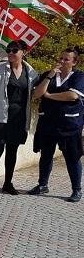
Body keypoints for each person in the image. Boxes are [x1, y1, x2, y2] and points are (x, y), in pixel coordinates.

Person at [0, 40, 38, 196]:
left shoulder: (31, 72)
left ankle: (7, 183)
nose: (11, 53)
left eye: (15, 50)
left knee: (12, 150)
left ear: (23, 52)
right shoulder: (0, 69)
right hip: (0, 117)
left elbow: (36, 92)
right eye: (9, 50)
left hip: (19, 117)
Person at [29, 47, 84, 202]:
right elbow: (37, 94)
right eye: (61, 58)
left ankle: (76, 190)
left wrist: (50, 96)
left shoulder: (79, 77)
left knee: (72, 157)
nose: (61, 61)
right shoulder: (49, 75)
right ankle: (42, 185)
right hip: (48, 123)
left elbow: (72, 96)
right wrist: (49, 77)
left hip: (69, 125)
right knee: (45, 155)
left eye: (66, 59)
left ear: (74, 62)